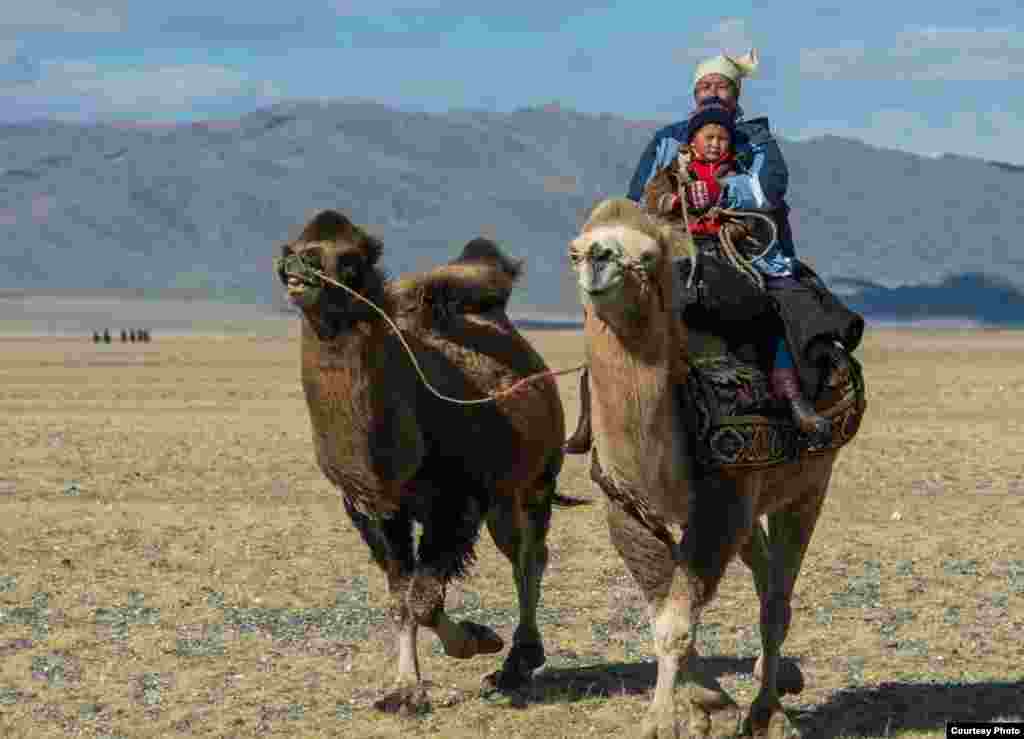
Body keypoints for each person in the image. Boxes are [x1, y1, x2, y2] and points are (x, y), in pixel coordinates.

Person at [627, 50, 864, 440]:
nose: (713, 92)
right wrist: (669, 204)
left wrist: (722, 192)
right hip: (678, 246)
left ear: (737, 93)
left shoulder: (755, 140)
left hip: (748, 247)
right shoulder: (667, 141)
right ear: (694, 94)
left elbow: (770, 188)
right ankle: (603, 409)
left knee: (778, 308)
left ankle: (794, 399)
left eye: (722, 86)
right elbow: (639, 197)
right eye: (705, 86)